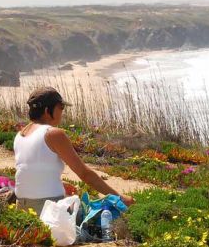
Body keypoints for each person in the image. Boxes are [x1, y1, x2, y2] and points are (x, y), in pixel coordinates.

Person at [14, 87, 134, 215]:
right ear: (47, 110)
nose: (62, 112)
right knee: (104, 215)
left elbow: (29, 170)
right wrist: (118, 198)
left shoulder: (21, 135)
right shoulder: (53, 134)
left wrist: (58, 183)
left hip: (21, 207)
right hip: (46, 209)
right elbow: (85, 174)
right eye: (61, 107)